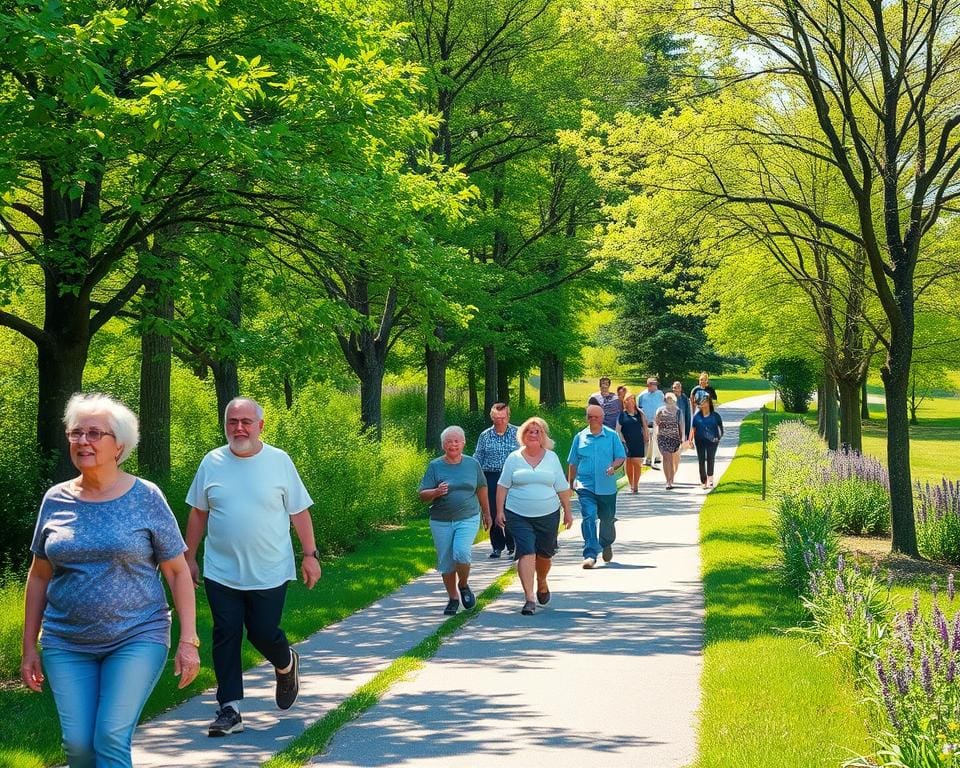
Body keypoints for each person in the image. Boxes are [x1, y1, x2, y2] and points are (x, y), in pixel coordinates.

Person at [21, 393, 200, 768]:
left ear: (118, 445)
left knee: (110, 736)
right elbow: (38, 577)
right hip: (66, 641)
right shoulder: (56, 499)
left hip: (137, 634)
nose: (82, 441)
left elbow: (177, 571)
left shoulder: (145, 496)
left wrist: (188, 641)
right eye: (76, 433)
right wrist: (28, 648)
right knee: (78, 746)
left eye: (94, 433)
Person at [186, 397, 320, 738]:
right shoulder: (211, 461)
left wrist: (310, 554)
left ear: (261, 425)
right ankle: (229, 708)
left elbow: (299, 511)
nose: (239, 428)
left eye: (246, 421)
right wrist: (188, 558)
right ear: (225, 424)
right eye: (233, 421)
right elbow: (199, 512)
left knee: (262, 632)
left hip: (270, 568)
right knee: (225, 632)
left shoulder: (279, 461)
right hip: (221, 569)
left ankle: (285, 662)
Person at [495, 418, 572, 615]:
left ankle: (542, 581)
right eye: (529, 431)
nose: (533, 434)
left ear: (543, 435)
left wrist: (568, 512)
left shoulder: (552, 458)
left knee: (544, 554)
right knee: (526, 551)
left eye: (537, 431)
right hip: (518, 514)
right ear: (523, 434)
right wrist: (499, 511)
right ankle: (529, 598)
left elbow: (562, 487)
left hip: (548, 514)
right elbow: (503, 485)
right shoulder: (513, 458)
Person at [419, 426, 492, 616]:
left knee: (461, 552)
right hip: (441, 520)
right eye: (449, 442)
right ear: (443, 445)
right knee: (446, 561)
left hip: (468, 517)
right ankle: (453, 598)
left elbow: (482, 488)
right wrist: (435, 492)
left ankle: (464, 584)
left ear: (463, 443)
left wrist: (487, 513)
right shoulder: (435, 466)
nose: (453, 445)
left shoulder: (472, 464)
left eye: (456, 441)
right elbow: (422, 494)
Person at [567, 404, 626, 569]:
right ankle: (590, 554)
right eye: (590, 416)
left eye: (596, 417)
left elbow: (621, 457)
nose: (593, 419)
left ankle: (606, 543)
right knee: (589, 517)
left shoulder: (612, 436)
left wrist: (613, 467)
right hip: (585, 485)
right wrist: (570, 483)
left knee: (607, 520)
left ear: (602, 418)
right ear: (586, 418)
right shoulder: (580, 437)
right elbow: (572, 462)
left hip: (607, 486)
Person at [472, 403, 517, 558]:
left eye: (503, 418)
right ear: (492, 417)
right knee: (492, 510)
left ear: (508, 416)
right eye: (497, 418)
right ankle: (497, 545)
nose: (500, 421)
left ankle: (513, 544)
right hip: (491, 476)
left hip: (512, 477)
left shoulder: (517, 433)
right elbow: (477, 457)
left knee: (510, 509)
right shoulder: (485, 435)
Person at [690, 397, 725, 490]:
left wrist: (718, 438)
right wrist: (690, 440)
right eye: (702, 403)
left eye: (705, 402)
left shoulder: (715, 416)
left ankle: (710, 479)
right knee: (701, 460)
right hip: (699, 441)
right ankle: (703, 481)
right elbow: (693, 429)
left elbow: (721, 428)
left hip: (712, 441)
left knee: (710, 458)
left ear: (709, 404)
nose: (703, 405)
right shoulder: (697, 416)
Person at [617, 393, 648, 493]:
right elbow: (618, 430)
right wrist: (622, 440)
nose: (631, 401)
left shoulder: (639, 413)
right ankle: (631, 484)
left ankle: (636, 485)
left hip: (638, 441)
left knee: (637, 463)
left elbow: (644, 426)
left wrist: (646, 437)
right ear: (625, 402)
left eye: (633, 399)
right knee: (629, 463)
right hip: (626, 442)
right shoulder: (622, 415)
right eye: (629, 399)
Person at [655, 392, 685, 490]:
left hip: (674, 437)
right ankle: (667, 481)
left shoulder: (678, 411)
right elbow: (657, 423)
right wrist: (658, 417)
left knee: (671, 459)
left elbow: (681, 424)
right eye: (667, 399)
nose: (669, 401)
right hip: (663, 437)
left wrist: (682, 437)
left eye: (671, 399)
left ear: (674, 400)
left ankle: (671, 479)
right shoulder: (660, 410)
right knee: (666, 457)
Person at [638, 377, 665, 468]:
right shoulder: (642, 395)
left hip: (657, 421)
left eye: (656, 384)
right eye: (654, 385)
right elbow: (639, 407)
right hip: (646, 421)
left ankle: (657, 457)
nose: (656, 386)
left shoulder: (660, 394)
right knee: (647, 440)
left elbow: (663, 407)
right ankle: (647, 458)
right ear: (649, 385)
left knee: (656, 440)